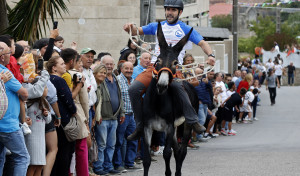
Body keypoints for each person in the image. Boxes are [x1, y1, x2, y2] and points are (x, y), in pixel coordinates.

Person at [123, 0, 215, 140]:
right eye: (167, 9)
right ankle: (140, 125)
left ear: (180, 12)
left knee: (182, 90)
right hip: (154, 68)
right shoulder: (156, 26)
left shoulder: (185, 29)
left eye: (173, 10)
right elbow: (137, 31)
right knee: (133, 89)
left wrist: (211, 55)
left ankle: (192, 120)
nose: (169, 12)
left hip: (173, 70)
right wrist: (129, 27)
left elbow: (202, 43)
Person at [0, 42, 30, 176]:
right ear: (2, 57)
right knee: (22, 158)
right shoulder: (5, 73)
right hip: (8, 125)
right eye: (8, 53)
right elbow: (24, 93)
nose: (10, 56)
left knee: (1, 159)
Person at [93, 55, 125, 175]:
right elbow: (96, 99)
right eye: (107, 64)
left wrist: (121, 112)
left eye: (111, 64)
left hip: (114, 118)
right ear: (102, 64)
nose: (110, 66)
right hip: (103, 118)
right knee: (101, 144)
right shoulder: (100, 79)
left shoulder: (116, 78)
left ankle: (108, 166)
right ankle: (99, 167)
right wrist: (98, 114)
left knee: (111, 145)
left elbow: (120, 97)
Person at [46, 56, 77, 176]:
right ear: (54, 68)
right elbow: (67, 99)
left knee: (53, 151)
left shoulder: (47, 78)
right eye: (62, 64)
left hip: (52, 119)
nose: (65, 66)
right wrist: (73, 111)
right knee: (65, 151)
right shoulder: (58, 80)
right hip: (62, 120)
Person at [61, 48, 90, 176]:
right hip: (76, 114)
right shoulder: (77, 75)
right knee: (81, 149)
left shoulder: (59, 73)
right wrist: (87, 118)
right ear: (73, 61)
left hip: (62, 115)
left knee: (66, 150)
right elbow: (84, 100)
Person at [114, 61, 141, 172]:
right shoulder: (118, 81)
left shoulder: (134, 81)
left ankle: (130, 162)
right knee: (119, 141)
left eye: (131, 69)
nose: (129, 71)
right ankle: (118, 164)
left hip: (132, 115)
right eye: (126, 68)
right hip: (123, 115)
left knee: (133, 140)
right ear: (121, 69)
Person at [24, 84, 51, 176]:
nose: (46, 89)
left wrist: (46, 114)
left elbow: (48, 120)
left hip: (41, 138)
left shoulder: (45, 102)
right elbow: (23, 116)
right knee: (32, 164)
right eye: (45, 87)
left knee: (40, 164)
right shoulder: (27, 102)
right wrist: (26, 119)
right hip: (31, 137)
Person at [80, 48, 98, 129]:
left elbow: (93, 92)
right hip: (83, 109)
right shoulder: (79, 71)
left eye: (92, 57)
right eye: (87, 56)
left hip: (91, 108)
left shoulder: (90, 71)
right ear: (81, 57)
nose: (90, 59)